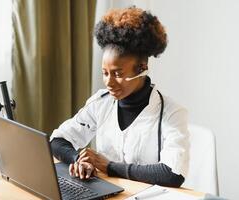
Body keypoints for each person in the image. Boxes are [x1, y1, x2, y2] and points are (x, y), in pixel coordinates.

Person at [50, 6, 189, 187]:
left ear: (142, 68)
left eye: (117, 74)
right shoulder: (101, 102)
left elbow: (172, 174)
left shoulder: (172, 113)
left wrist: (109, 167)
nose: (108, 82)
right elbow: (57, 140)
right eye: (105, 73)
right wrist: (79, 159)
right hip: (108, 192)